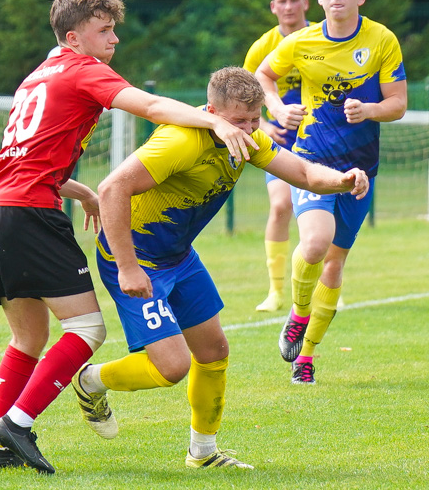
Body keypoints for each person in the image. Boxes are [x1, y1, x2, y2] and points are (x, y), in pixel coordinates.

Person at [0, 0, 258, 474]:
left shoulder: (37, 76)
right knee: (87, 329)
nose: (115, 39)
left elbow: (24, 155)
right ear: (73, 37)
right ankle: (16, 427)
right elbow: (149, 106)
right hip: (30, 213)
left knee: (28, 339)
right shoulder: (84, 69)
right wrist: (215, 124)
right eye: (104, 30)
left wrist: (75, 188)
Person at [69, 67, 368, 470]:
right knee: (172, 366)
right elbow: (111, 189)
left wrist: (344, 180)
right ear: (211, 111)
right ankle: (90, 381)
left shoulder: (249, 138)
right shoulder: (180, 141)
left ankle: (204, 454)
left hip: (178, 256)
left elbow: (303, 173)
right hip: (136, 258)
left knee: (214, 351)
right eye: (236, 121)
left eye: (253, 120)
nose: (246, 129)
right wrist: (127, 268)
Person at [255, 0, 408, 385]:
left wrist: (371, 109)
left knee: (335, 265)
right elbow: (264, 76)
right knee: (316, 244)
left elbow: (398, 104)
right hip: (310, 161)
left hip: (361, 169)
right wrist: (278, 107)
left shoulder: (381, 40)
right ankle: (298, 313)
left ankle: (306, 356)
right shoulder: (300, 42)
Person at [242, 0, 315, 313]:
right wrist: (267, 125)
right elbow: (240, 96)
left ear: (306, 4)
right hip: (283, 140)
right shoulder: (262, 47)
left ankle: (327, 283)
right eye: (281, 2)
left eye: (293, 0)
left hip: (321, 137)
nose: (288, 7)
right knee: (281, 206)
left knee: (321, 210)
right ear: (273, 8)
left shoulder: (322, 37)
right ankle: (276, 292)